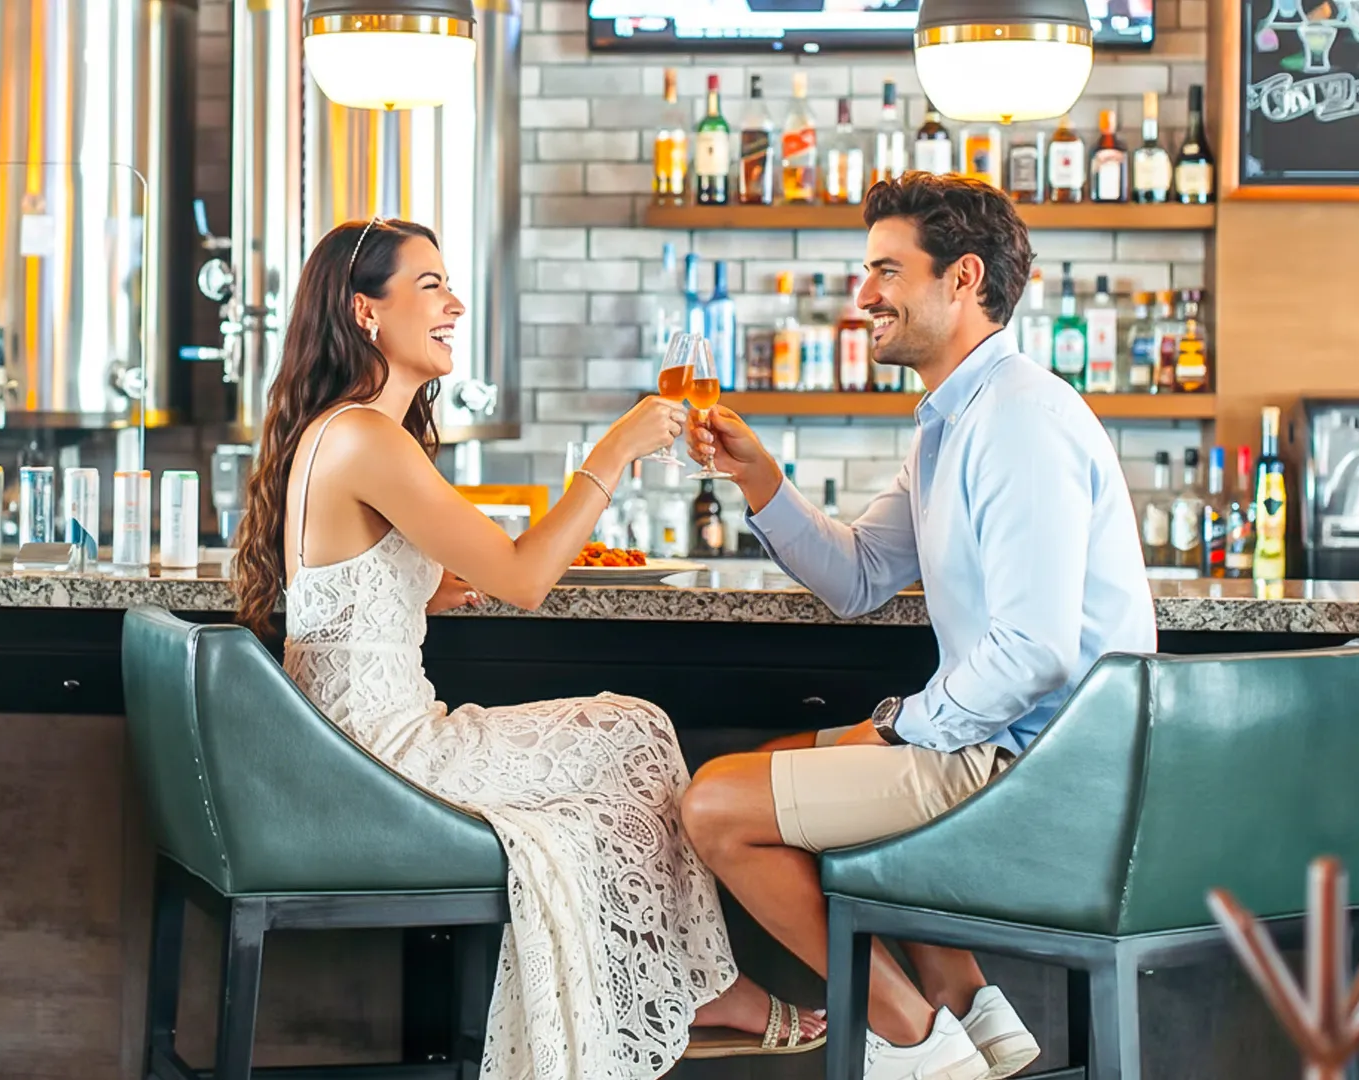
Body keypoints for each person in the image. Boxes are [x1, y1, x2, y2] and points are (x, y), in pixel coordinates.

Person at [228, 217, 827, 1080]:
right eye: (431, 285)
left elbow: (362, 582)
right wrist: (614, 451)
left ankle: (692, 992)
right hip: (377, 759)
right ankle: (697, 992)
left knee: (627, 749)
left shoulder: (348, 431)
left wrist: (425, 587)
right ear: (367, 313)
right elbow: (523, 579)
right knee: (635, 732)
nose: (455, 304)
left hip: (352, 741)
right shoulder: (367, 437)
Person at [678, 174, 1156, 1080]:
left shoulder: (1018, 420)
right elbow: (858, 577)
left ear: (963, 277)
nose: (864, 297)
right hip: (1006, 751)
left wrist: (899, 724)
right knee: (770, 764)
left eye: (886, 271)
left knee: (716, 809)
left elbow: (1036, 648)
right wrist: (759, 479)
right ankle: (973, 1010)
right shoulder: (952, 422)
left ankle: (911, 1037)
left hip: (1047, 775)